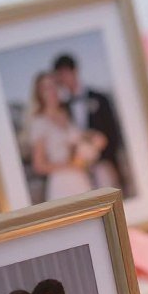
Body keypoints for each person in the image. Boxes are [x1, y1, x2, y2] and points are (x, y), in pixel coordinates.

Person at [27, 72, 105, 201]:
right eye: (46, 88)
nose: (52, 91)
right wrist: (71, 165)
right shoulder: (39, 122)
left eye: (54, 86)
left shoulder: (66, 114)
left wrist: (94, 140)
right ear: (39, 93)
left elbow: (78, 140)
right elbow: (39, 165)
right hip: (61, 183)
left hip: (81, 177)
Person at [52, 54, 125, 190]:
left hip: (105, 164)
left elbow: (113, 132)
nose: (63, 79)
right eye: (59, 75)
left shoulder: (100, 98)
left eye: (65, 74)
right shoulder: (62, 108)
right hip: (79, 172)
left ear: (75, 71)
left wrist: (106, 160)